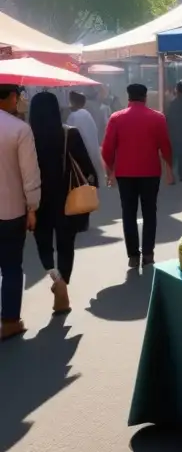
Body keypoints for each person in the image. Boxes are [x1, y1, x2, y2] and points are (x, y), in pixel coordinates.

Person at [29, 92, 98, 315]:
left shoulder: (27, 136)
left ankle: (55, 277)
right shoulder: (70, 133)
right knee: (66, 245)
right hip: (68, 199)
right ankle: (63, 286)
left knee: (43, 243)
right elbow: (88, 169)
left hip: (37, 201)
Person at [102, 84, 174, 269]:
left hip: (125, 174)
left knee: (128, 213)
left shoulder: (116, 118)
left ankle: (133, 255)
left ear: (128, 98)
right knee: (150, 213)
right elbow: (165, 145)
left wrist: (109, 171)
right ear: (145, 97)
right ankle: (148, 254)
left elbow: (107, 149)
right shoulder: (157, 118)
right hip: (150, 172)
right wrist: (169, 169)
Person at [0, 84, 41, 341]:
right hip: (11, 210)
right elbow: (30, 174)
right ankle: (10, 321)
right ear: (12, 97)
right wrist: (32, 207)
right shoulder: (19, 130)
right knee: (12, 266)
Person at [66, 90, 104, 177]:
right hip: (92, 156)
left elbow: (69, 134)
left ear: (72, 102)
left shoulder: (74, 116)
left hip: (82, 158)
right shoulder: (87, 115)